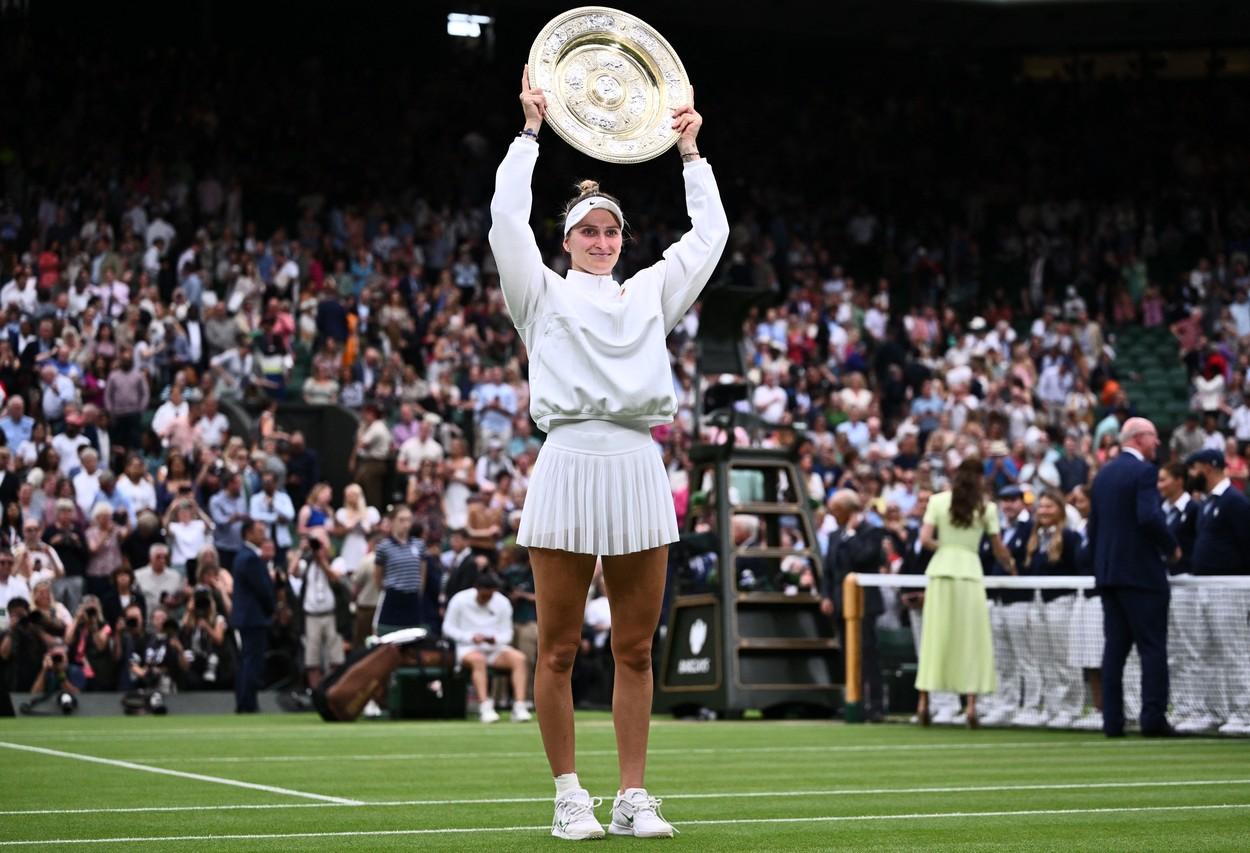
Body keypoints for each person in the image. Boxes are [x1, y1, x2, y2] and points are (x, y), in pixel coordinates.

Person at [489, 66, 726, 840]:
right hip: (566, 461)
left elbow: (712, 236)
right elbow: (503, 222)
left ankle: (631, 795)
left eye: (612, 231)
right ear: (566, 241)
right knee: (555, 649)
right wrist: (528, 134)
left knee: (633, 646)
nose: (601, 241)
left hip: (635, 464)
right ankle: (568, 795)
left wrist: (690, 151)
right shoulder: (539, 292)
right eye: (589, 231)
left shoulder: (649, 291)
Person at [1086, 417, 1178, 738]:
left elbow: (1093, 529)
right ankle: (1153, 718)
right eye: (1154, 438)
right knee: (1152, 648)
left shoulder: (1104, 474)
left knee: (1114, 651)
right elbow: (1149, 516)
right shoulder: (1143, 472)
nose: (1158, 444)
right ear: (1139, 438)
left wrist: (1100, 568)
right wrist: (1171, 547)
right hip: (1141, 576)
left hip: (1110, 576)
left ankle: (1113, 721)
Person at [915, 458, 1016, 728]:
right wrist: (1012, 565)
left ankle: (923, 702)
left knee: (934, 638)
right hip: (970, 574)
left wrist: (946, 549)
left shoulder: (937, 502)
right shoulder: (987, 508)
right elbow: (999, 550)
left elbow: (924, 539)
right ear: (981, 478)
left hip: (940, 572)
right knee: (972, 641)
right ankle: (971, 707)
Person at [1183, 448, 1250, 735]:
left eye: (1194, 468)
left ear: (1209, 467)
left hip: (1229, 587)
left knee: (1233, 652)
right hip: (1204, 586)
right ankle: (1211, 710)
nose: (1190, 475)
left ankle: (1245, 712)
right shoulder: (1208, 504)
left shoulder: (1234, 501)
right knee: (1205, 652)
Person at [441, 571, 532, 724]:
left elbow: (507, 633)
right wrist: (470, 637)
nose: (487, 598)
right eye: (484, 595)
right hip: (468, 648)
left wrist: (495, 639)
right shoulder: (459, 600)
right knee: (479, 660)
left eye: (490, 595)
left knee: (519, 659)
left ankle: (519, 706)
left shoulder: (502, 602)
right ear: (476, 589)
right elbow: (448, 628)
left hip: (495, 649)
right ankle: (485, 707)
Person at [230, 519, 275, 713]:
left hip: (247, 616)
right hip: (253, 617)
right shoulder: (250, 558)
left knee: (247, 659)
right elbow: (263, 590)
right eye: (259, 531)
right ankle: (247, 702)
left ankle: (245, 700)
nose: (263, 534)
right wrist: (271, 607)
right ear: (248, 533)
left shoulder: (243, 556)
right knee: (252, 660)